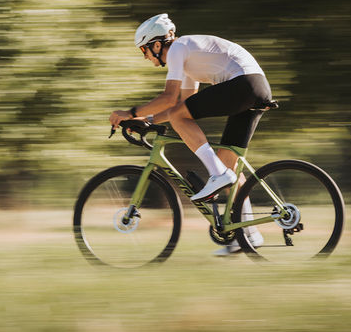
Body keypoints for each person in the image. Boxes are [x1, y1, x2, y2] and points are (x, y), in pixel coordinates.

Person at [109, 13, 272, 255]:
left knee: (219, 168)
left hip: (243, 84)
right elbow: (181, 107)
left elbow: (169, 99)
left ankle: (216, 176)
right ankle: (248, 235)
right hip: (255, 88)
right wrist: (148, 120)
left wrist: (131, 113)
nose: (144, 56)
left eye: (144, 50)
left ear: (156, 44)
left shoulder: (177, 48)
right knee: (228, 163)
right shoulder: (186, 60)